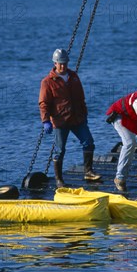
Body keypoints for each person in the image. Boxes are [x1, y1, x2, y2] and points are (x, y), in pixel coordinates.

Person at [39, 49, 101, 188]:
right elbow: (44, 103)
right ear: (55, 63)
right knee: (60, 150)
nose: (63, 66)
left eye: (65, 63)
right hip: (60, 121)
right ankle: (59, 179)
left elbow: (81, 97)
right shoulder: (47, 82)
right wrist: (46, 121)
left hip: (77, 118)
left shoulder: (73, 76)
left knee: (89, 142)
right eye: (60, 63)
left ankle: (88, 171)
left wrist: (84, 114)